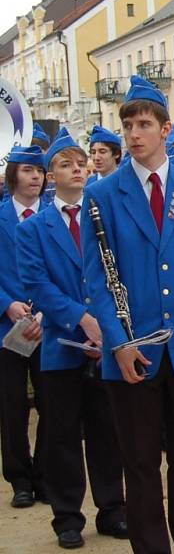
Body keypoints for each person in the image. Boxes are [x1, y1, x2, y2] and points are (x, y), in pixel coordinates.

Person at [80, 75, 174, 553]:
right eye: (128, 125)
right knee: (141, 466)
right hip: (132, 352)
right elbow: (98, 281)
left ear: (166, 129)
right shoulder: (102, 194)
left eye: (143, 124)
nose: (133, 133)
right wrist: (118, 344)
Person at [16, 129, 127, 549]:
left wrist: (106, 323)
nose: (78, 169)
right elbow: (37, 284)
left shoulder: (103, 216)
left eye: (82, 163)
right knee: (62, 433)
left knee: (106, 429)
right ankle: (67, 517)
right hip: (62, 345)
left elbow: (118, 272)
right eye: (66, 164)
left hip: (105, 342)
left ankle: (113, 509)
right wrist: (81, 318)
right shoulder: (35, 228)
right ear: (49, 176)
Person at [0, 145, 46, 509]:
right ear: (14, 175)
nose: (35, 177)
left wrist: (44, 310)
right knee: (12, 405)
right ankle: (19, 478)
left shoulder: (52, 216)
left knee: (53, 403)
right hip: (7, 329)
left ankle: (46, 473)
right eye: (28, 170)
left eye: (39, 171)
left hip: (49, 326)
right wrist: (8, 304)